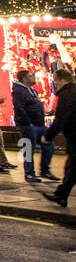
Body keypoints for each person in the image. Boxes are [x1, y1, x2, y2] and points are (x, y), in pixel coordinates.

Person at [12, 70, 56, 183]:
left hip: (39, 124)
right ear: (24, 78)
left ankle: (45, 170)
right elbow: (19, 108)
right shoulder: (19, 91)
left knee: (49, 145)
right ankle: (29, 173)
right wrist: (27, 123)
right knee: (28, 149)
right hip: (28, 126)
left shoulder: (31, 90)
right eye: (31, 76)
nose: (33, 78)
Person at [41, 68, 75, 207]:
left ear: (60, 80)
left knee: (72, 168)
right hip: (74, 136)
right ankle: (61, 195)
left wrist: (48, 135)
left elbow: (61, 118)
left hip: (75, 136)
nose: (54, 83)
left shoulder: (67, 94)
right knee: (71, 167)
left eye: (55, 80)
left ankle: (61, 195)